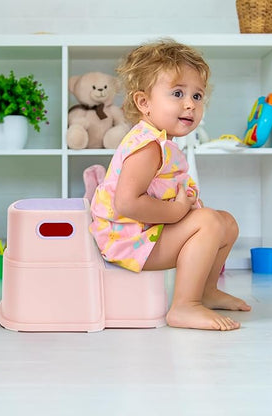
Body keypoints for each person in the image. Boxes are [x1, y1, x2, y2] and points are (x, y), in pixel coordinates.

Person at [89, 39, 251, 331]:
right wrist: (178, 211)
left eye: (197, 96)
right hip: (126, 241)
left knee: (227, 223)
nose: (190, 103)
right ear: (144, 103)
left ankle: (206, 291)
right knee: (210, 222)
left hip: (146, 232)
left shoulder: (161, 141)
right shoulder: (147, 146)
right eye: (177, 93)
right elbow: (126, 203)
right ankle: (184, 306)